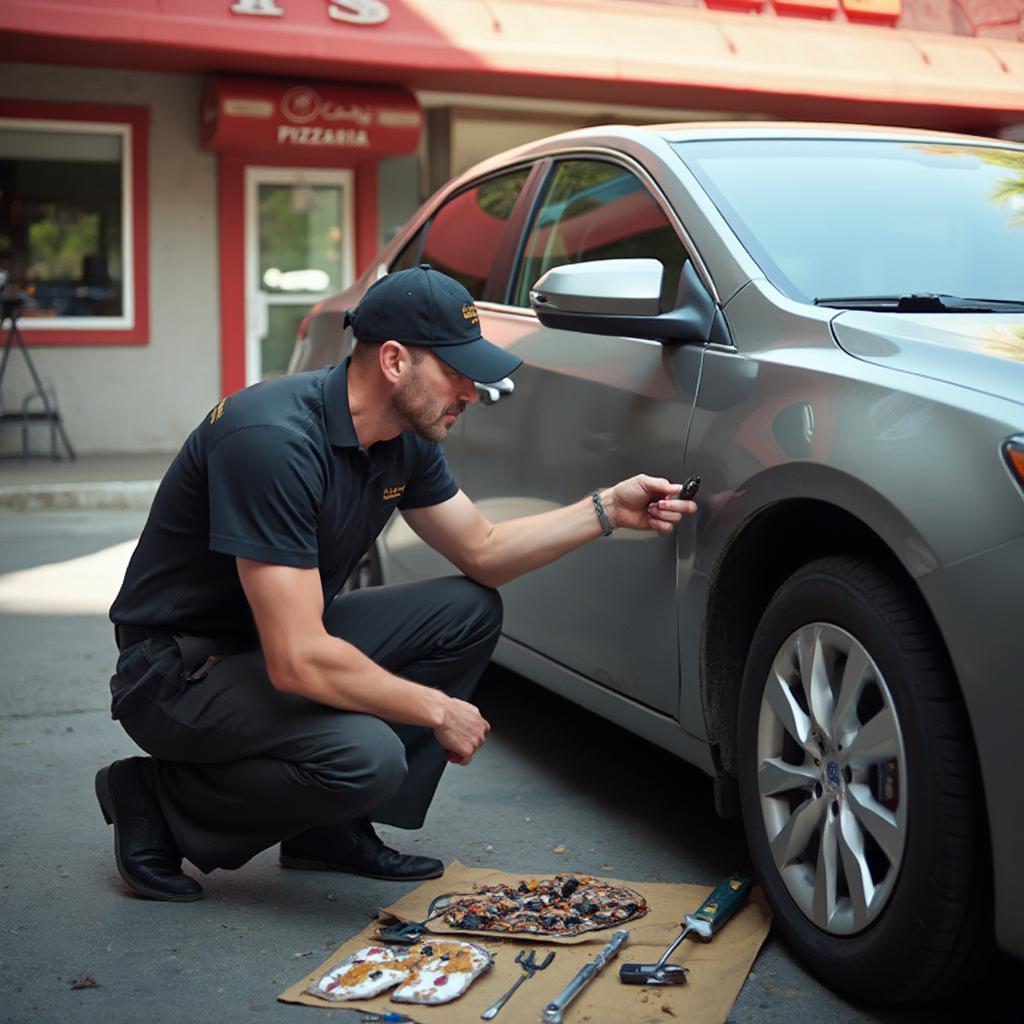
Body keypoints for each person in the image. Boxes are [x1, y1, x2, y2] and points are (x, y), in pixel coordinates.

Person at [98, 264, 698, 902]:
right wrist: (436, 709)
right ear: (393, 362)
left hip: (270, 645)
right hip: (176, 673)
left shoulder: (403, 439)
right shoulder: (272, 440)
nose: (472, 391)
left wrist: (606, 509)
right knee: (366, 757)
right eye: (456, 371)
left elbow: (484, 551)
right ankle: (157, 800)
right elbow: (298, 661)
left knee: (467, 608)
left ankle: (327, 830)